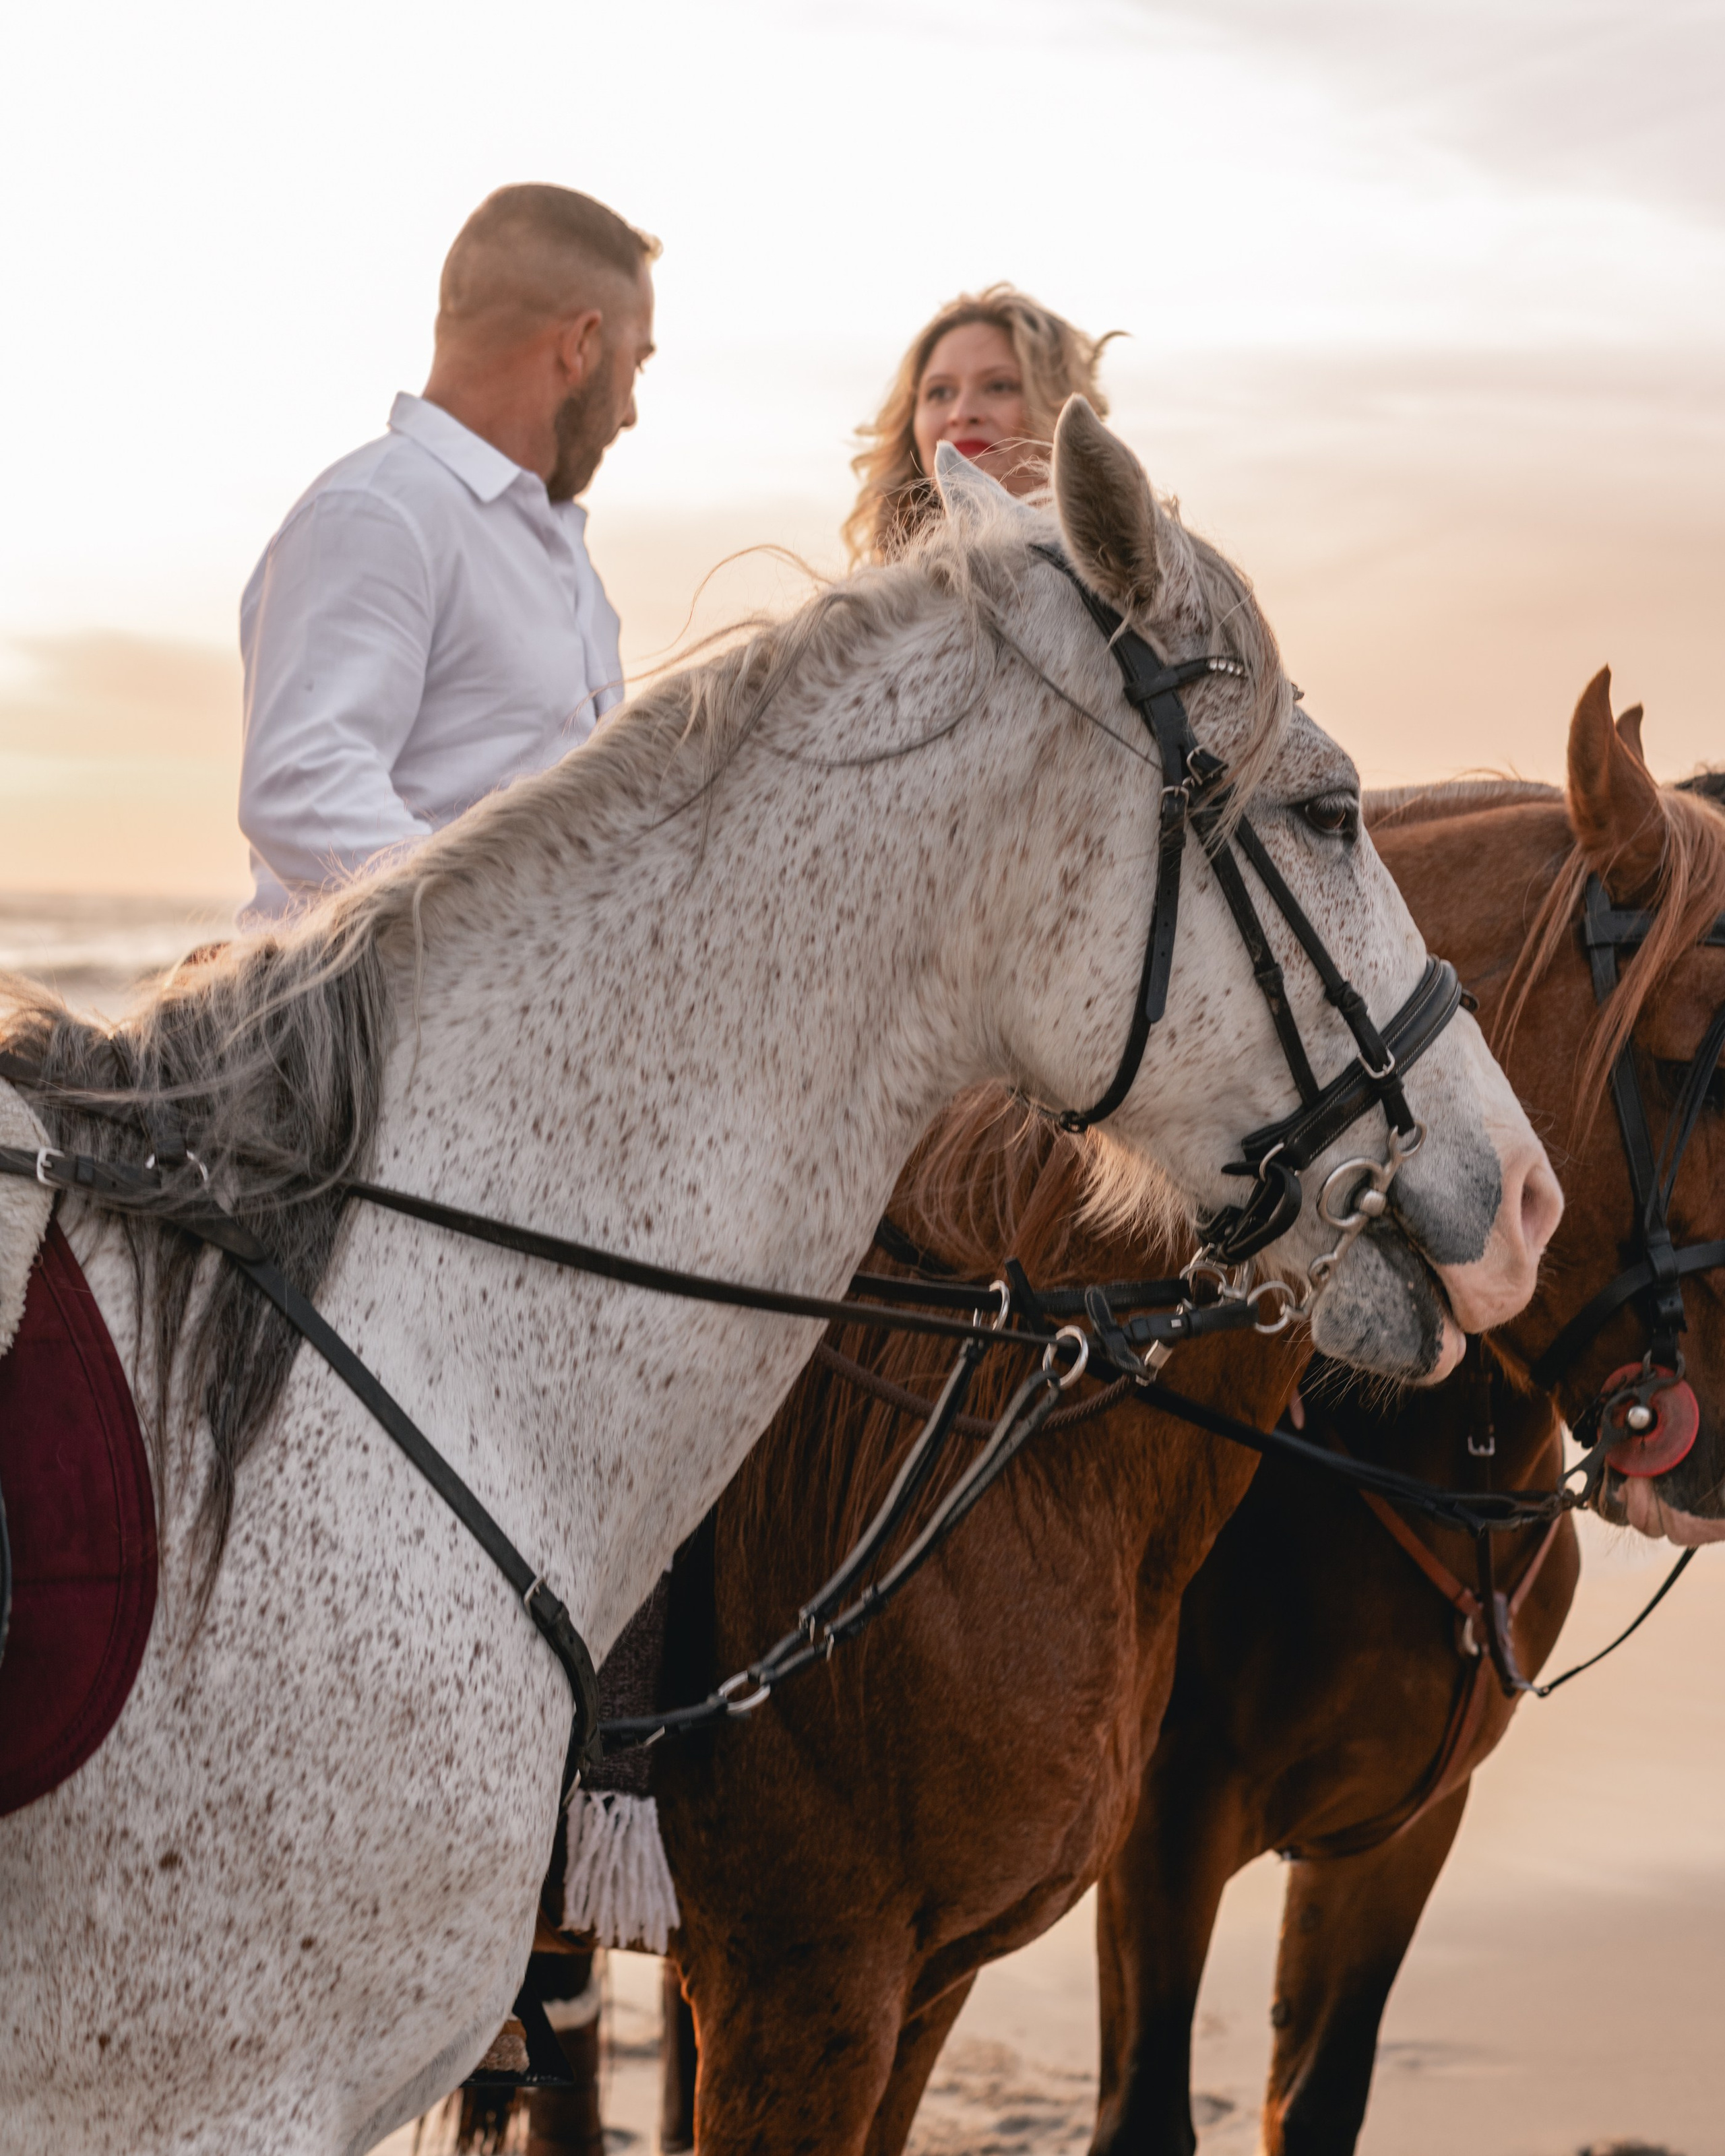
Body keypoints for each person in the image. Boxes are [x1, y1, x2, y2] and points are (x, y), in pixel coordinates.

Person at [237, 183, 658, 921]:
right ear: (581, 344)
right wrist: (510, 933)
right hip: (393, 1029)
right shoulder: (376, 509)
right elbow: (305, 782)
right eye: (637, 363)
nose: (629, 410)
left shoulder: (563, 556)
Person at [842, 283, 1116, 565]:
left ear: (1063, 410)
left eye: (999, 386)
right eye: (940, 392)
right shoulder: (883, 601)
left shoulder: (1141, 589)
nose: (961, 413)